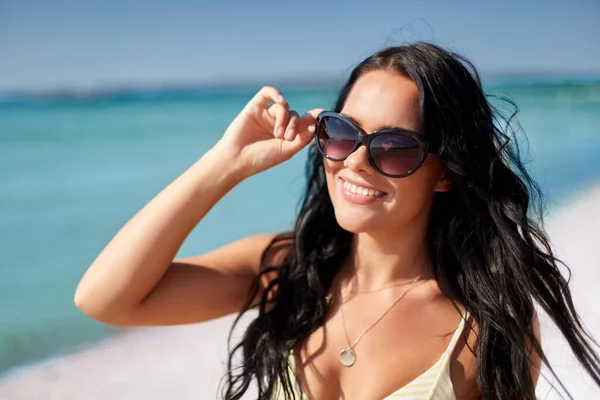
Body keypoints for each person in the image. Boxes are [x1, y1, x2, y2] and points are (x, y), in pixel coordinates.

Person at [74, 42, 600, 400]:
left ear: (445, 172)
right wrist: (223, 165)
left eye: (393, 147)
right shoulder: (287, 270)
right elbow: (106, 299)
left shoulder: (485, 326)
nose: (355, 162)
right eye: (343, 133)